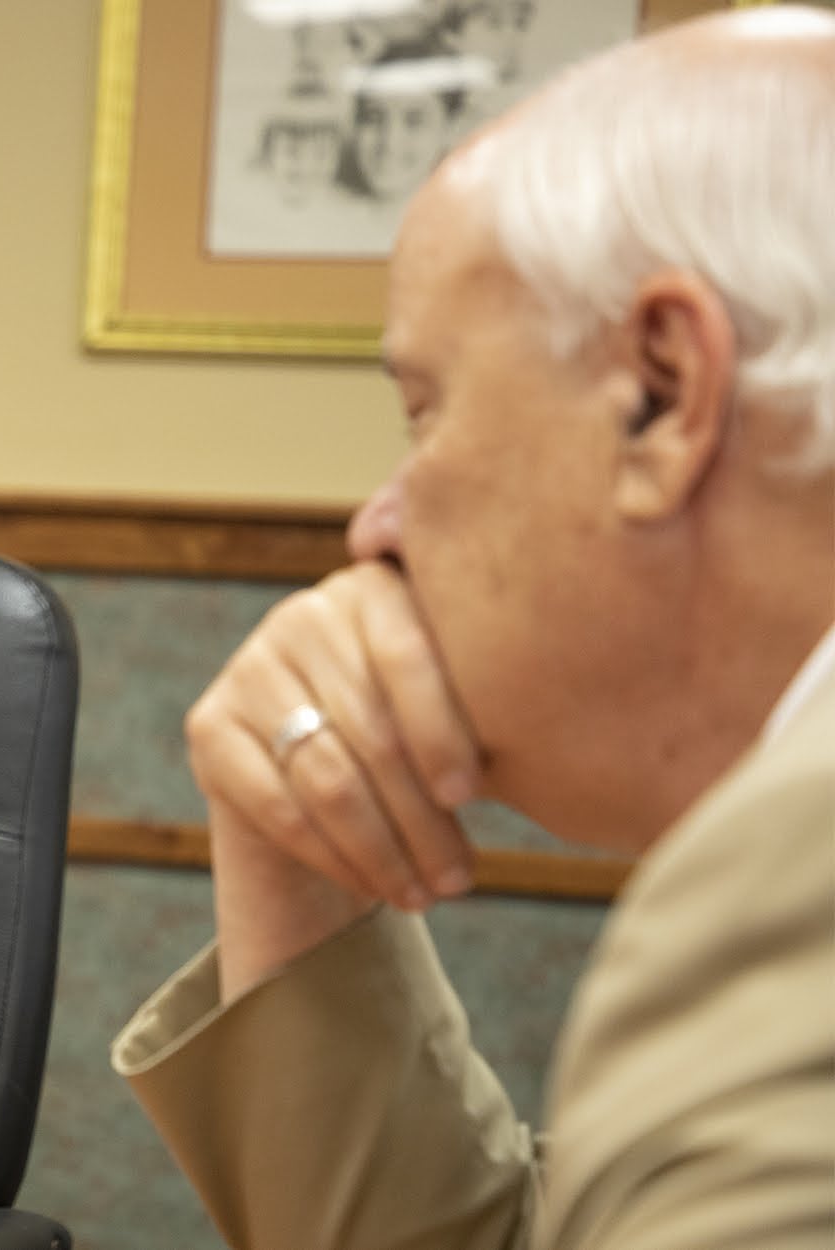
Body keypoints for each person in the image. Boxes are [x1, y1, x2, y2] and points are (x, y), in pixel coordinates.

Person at [113, 8, 833, 1248]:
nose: (372, 524)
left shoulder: (791, 859)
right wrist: (297, 865)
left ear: (659, 393)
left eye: (423, 409)